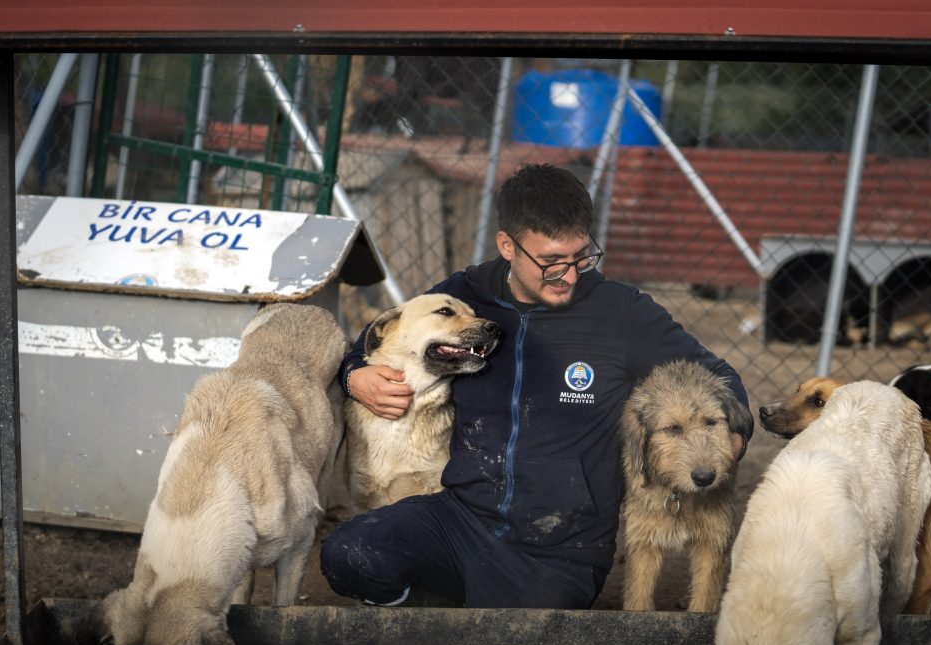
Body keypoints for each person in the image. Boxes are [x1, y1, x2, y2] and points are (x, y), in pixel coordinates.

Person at [320, 163, 752, 609]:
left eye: (581, 256)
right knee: (350, 555)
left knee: (523, 623)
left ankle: (453, 619)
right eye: (549, 262)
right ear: (507, 246)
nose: (568, 274)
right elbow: (385, 335)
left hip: (559, 548)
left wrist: (730, 441)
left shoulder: (621, 313)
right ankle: (434, 615)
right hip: (461, 518)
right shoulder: (466, 298)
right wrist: (356, 376)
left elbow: (718, 377)